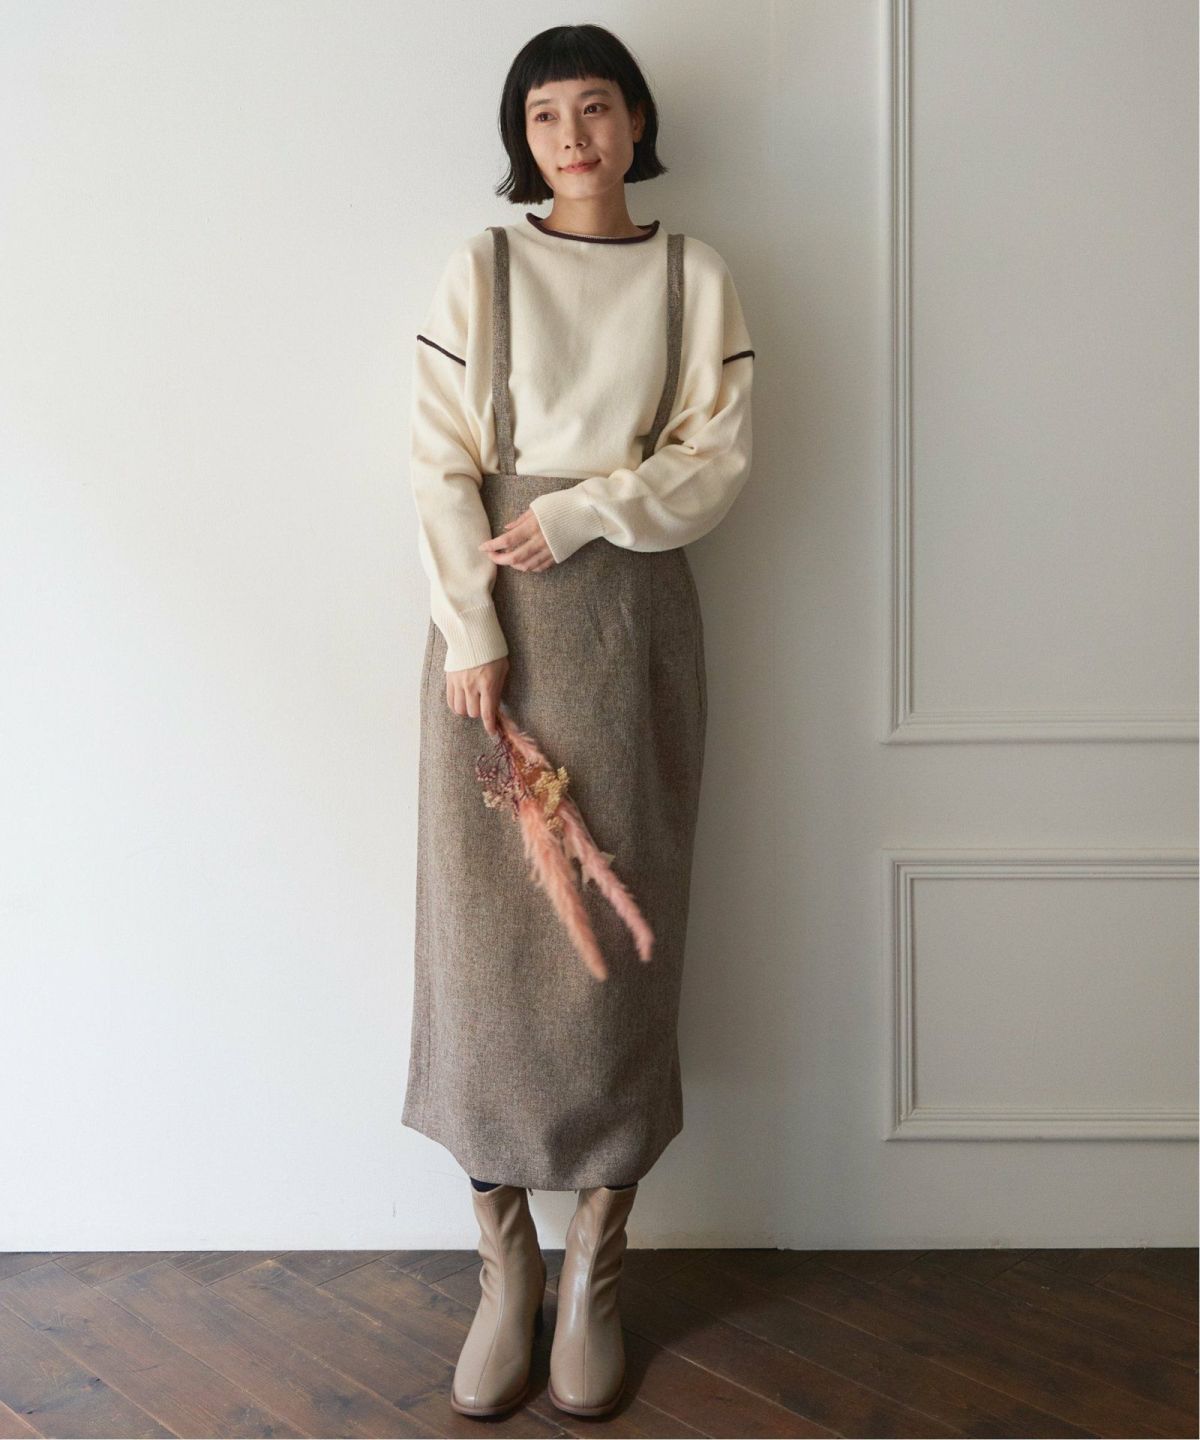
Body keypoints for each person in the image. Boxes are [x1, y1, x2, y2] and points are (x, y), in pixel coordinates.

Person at [401, 22, 755, 1421]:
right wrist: (472, 632)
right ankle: (504, 1269)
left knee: (623, 928)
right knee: (488, 940)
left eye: (595, 108)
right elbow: (438, 462)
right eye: (544, 116)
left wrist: (590, 509)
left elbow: (717, 459)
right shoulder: (480, 270)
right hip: (494, 631)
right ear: (522, 140)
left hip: (635, 625)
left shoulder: (693, 275)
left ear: (636, 120)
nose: (573, 138)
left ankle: (597, 1262)